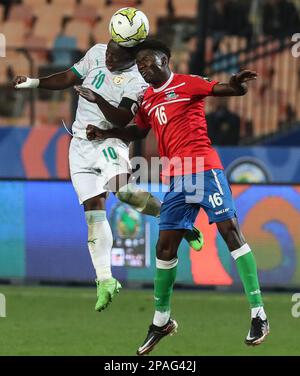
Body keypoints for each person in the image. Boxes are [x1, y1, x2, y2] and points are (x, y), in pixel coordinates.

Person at [86, 39, 269, 354]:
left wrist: (236, 87)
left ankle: (258, 313)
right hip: (177, 178)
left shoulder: (188, 83)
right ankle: (161, 321)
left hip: (204, 170)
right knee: (164, 246)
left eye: (147, 62)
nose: (143, 69)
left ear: (163, 58)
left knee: (230, 234)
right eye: (139, 66)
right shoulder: (146, 99)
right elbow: (138, 132)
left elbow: (221, 89)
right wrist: (107, 133)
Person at [13, 40, 203, 313]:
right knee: (93, 212)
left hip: (109, 142)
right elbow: (67, 77)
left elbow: (122, 119)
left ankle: (179, 222)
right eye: (109, 51)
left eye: (116, 55)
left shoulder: (137, 80)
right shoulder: (96, 53)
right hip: (79, 144)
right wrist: (32, 82)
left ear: (131, 56)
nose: (109, 57)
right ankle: (105, 280)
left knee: (124, 191)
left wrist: (96, 98)